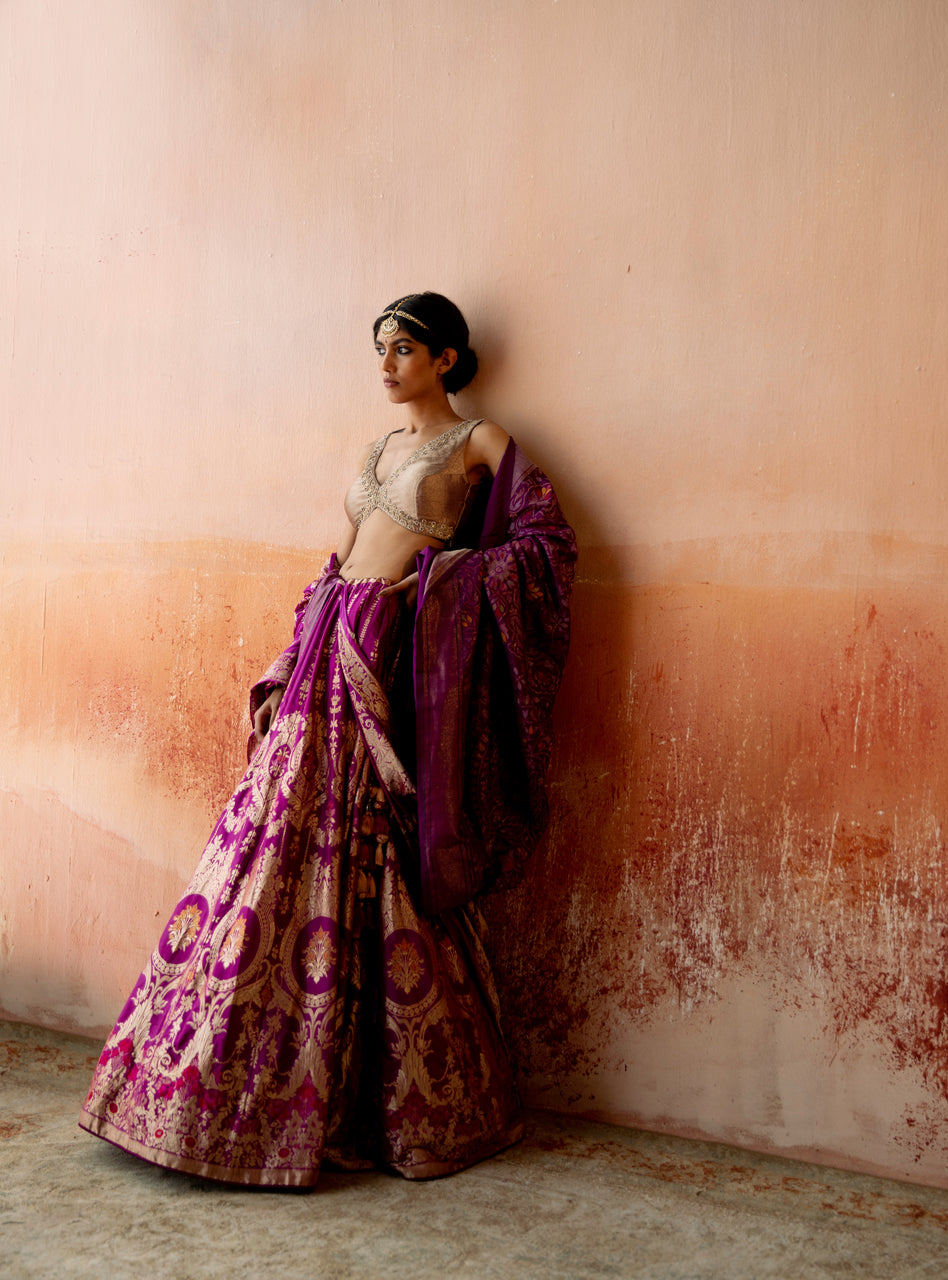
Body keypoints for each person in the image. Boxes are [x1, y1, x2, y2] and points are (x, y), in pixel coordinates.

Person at [78, 292, 576, 1187]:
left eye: (404, 350)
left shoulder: (480, 444)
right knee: (269, 843)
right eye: (379, 349)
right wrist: (284, 663)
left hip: (393, 652)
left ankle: (381, 1095)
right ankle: (212, 1080)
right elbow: (337, 560)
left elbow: (546, 547)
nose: (386, 364)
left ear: (448, 362)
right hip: (325, 651)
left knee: (375, 839)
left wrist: (443, 587)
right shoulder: (375, 451)